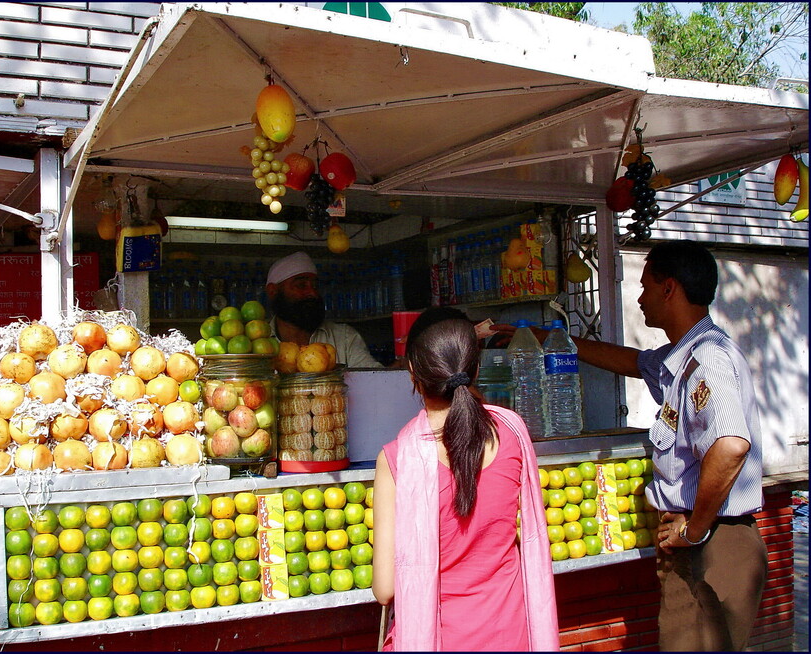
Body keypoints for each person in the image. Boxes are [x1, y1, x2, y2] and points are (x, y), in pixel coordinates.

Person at [494, 240, 766, 651]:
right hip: (701, 537)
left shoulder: (706, 359)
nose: (639, 298)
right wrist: (544, 338)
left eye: (645, 287)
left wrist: (695, 530)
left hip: (713, 539)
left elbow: (730, 447)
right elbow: (629, 361)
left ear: (669, 289)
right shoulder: (681, 357)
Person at [372, 309, 559, 651]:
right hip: (511, 635)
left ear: (412, 371)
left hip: (440, 638)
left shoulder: (397, 459)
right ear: (476, 368)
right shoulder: (512, 433)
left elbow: (385, 589)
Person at [265, 251, 385, 368]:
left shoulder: (345, 338)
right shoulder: (258, 342)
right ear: (273, 291)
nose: (312, 293)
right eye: (301, 285)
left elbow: (374, 379)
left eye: (315, 286)